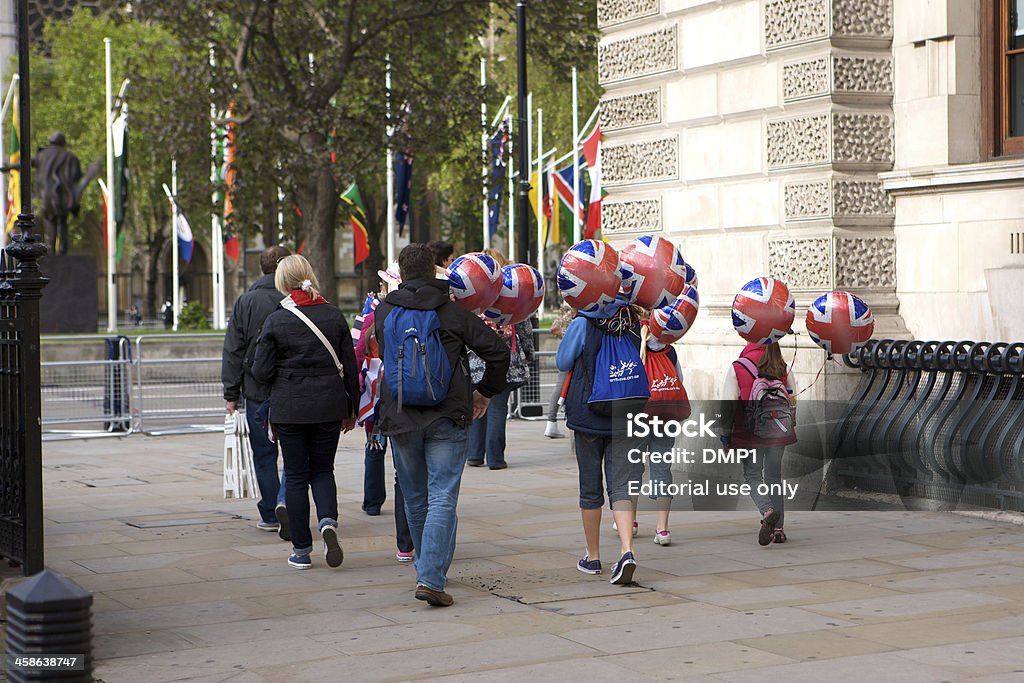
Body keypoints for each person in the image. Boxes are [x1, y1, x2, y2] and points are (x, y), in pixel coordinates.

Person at [375, 243, 509, 607]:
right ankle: (431, 577)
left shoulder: (384, 311)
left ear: (400, 274)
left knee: (416, 498)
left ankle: (426, 569)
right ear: (434, 270)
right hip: (448, 415)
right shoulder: (452, 312)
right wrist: (484, 393)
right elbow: (498, 351)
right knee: (442, 497)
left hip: (401, 416)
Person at [250, 255, 359, 569]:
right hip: (329, 405)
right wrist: (351, 408)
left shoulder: (276, 319)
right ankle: (327, 523)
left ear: (282, 283)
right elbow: (349, 367)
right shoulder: (333, 314)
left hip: (290, 407)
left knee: (296, 475)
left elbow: (261, 370)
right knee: (323, 470)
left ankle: (301, 549)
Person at [556, 294, 645, 585]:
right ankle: (626, 550)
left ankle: (593, 557)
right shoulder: (632, 319)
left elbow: (562, 361)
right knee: (621, 486)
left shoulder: (583, 322)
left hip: (588, 415)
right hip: (624, 412)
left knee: (590, 486)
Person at [222, 245, 292, 539]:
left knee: (264, 455)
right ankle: (286, 501)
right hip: (291, 389)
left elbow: (233, 349)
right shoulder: (293, 300)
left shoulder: (245, 302)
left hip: (256, 390)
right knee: (294, 453)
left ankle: (270, 512)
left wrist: (231, 393)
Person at [355, 261, 415, 563]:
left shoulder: (376, 315)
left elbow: (358, 353)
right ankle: (408, 541)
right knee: (405, 472)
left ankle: (372, 501)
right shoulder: (422, 312)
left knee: (374, 451)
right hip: (411, 402)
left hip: (380, 401)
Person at [721, 340, 797, 545]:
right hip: (779, 431)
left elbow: (727, 404)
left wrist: (725, 436)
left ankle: (767, 510)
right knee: (774, 476)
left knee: (753, 475)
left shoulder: (738, 367)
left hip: (750, 433)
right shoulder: (783, 366)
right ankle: (779, 529)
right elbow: (793, 400)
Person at [544, 302, 576, 439]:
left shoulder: (569, 313)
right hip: (572, 353)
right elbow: (555, 328)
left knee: (561, 387)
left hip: (566, 352)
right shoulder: (573, 313)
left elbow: (554, 328)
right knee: (562, 387)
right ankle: (552, 421)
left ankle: (551, 422)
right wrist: (568, 336)